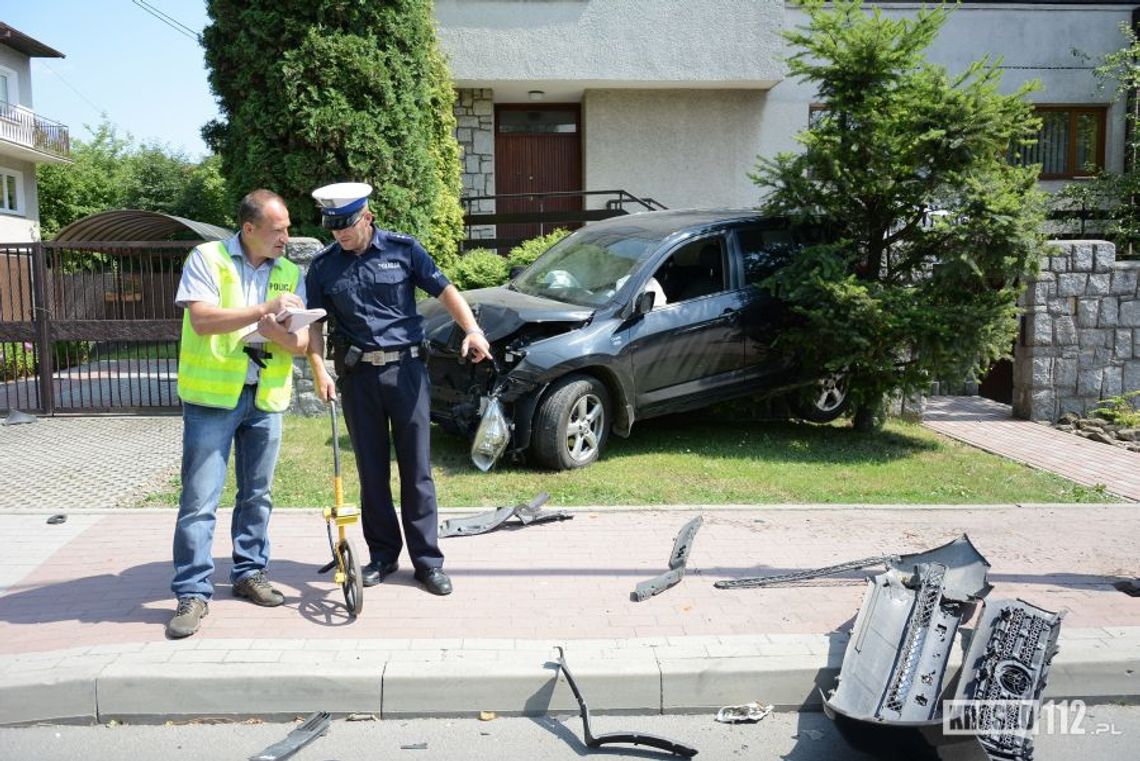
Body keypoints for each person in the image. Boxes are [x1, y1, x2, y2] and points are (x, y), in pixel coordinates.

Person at [304, 182, 490, 596]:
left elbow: (445, 290)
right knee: (372, 472)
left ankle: (427, 562)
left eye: (347, 226)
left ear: (366, 216)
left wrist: (472, 331)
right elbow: (313, 324)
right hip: (358, 378)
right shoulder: (323, 267)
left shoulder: (404, 250)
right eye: (333, 228)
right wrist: (319, 368)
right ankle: (383, 556)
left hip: (406, 372)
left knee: (417, 471)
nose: (340, 234)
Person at [166, 189, 309, 639]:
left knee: (257, 496)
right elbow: (202, 320)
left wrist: (279, 332)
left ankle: (249, 573)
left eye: (287, 228)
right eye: (277, 230)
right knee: (199, 502)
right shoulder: (207, 258)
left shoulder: (289, 271)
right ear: (249, 229)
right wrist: (263, 310)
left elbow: (302, 345)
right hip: (213, 400)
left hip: (264, 398)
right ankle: (192, 591)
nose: (286, 237)